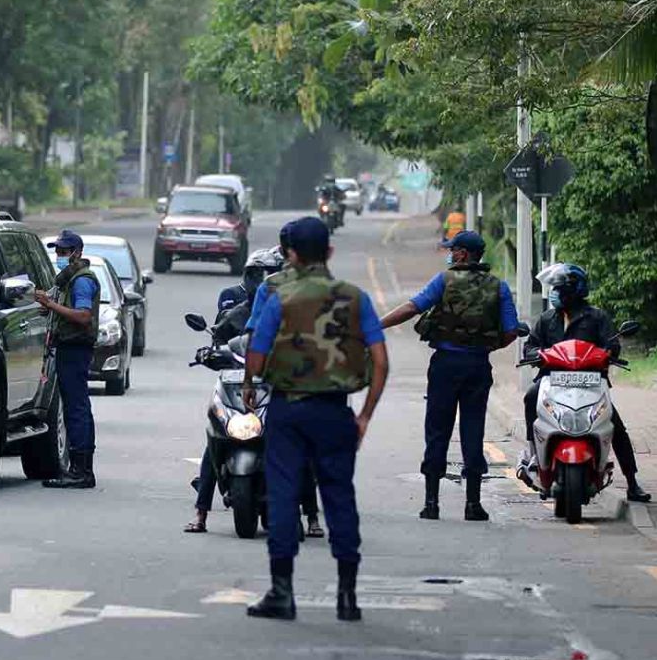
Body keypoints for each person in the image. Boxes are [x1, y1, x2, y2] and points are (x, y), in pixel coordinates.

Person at [242, 216, 389, 622]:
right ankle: (347, 595)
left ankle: (282, 592)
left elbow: (255, 352)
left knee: (283, 495)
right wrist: (364, 416)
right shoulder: (355, 298)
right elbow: (380, 361)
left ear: (290, 254)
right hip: (335, 412)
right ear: (329, 252)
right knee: (339, 496)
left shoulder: (280, 298)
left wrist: (250, 382)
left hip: (288, 411)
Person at [185, 247, 327, 536]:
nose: (265, 283)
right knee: (214, 438)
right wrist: (209, 354)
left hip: (280, 388)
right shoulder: (235, 315)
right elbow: (218, 343)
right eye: (258, 276)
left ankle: (311, 515)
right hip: (238, 389)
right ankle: (200, 513)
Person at [380, 230, 518, 521]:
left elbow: (411, 308)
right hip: (478, 366)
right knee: (473, 430)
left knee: (438, 430)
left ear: (464, 254)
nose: (450, 254)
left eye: (453, 250)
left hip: (445, 365)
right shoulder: (499, 287)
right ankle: (473, 505)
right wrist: (484, 346)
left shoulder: (443, 281)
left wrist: (376, 325)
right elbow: (509, 332)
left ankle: (431, 504)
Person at [520, 264, 651, 502]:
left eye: (559, 289)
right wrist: (536, 353)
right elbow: (530, 345)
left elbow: (612, 344)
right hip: (552, 380)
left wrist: (609, 352)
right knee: (531, 396)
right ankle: (534, 454)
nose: (554, 293)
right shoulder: (547, 319)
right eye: (554, 289)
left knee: (615, 425)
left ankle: (632, 482)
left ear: (575, 291)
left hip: (590, 383)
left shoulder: (596, 317)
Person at [36, 229, 99, 489]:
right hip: (68, 348)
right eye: (58, 251)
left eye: (64, 251)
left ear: (77, 252)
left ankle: (81, 471)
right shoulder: (67, 280)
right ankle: (81, 468)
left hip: (75, 349)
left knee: (76, 408)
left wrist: (51, 306)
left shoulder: (81, 281)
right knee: (78, 406)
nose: (60, 256)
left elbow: (83, 316)